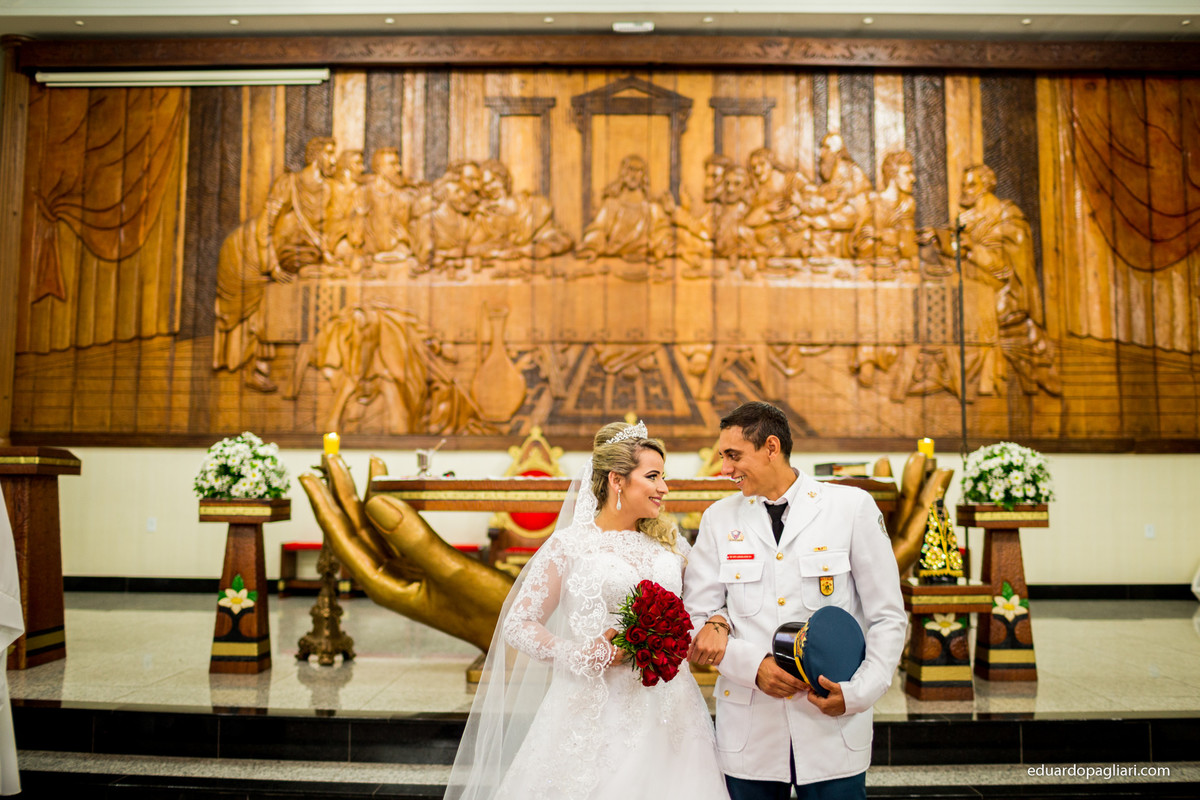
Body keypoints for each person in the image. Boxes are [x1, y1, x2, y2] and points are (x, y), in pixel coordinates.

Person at [445, 420, 730, 800]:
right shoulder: (570, 546)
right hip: (593, 708)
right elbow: (518, 623)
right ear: (617, 480)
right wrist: (580, 654)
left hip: (669, 707)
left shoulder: (671, 542)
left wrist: (714, 623)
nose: (664, 487)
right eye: (653, 476)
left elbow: (707, 600)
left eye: (664, 476)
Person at [684, 401, 906, 800]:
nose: (724, 470)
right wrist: (754, 668)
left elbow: (887, 616)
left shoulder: (849, 508)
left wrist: (858, 693)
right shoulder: (719, 519)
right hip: (752, 725)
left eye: (734, 456)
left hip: (831, 723)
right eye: (723, 457)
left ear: (771, 447)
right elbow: (695, 615)